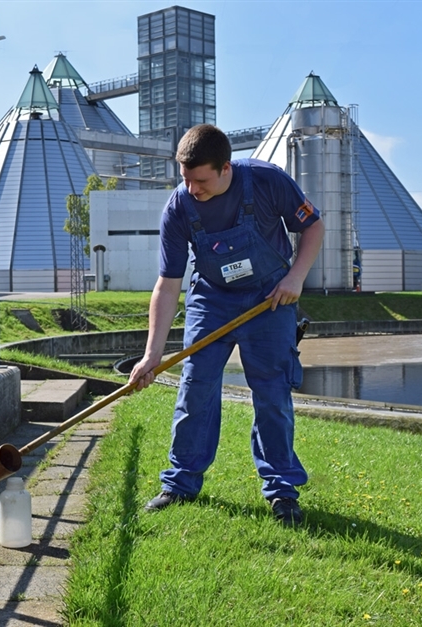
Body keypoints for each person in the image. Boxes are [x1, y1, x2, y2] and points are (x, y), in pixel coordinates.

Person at [128, 124, 325, 526]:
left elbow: (313, 227)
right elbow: (167, 287)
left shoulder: (268, 181)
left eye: (199, 180)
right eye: (185, 179)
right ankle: (180, 483)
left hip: (270, 300)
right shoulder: (179, 207)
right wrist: (152, 355)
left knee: (272, 393)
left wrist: (296, 278)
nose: (191, 189)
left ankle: (281, 491)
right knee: (195, 386)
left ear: (225, 169)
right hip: (212, 300)